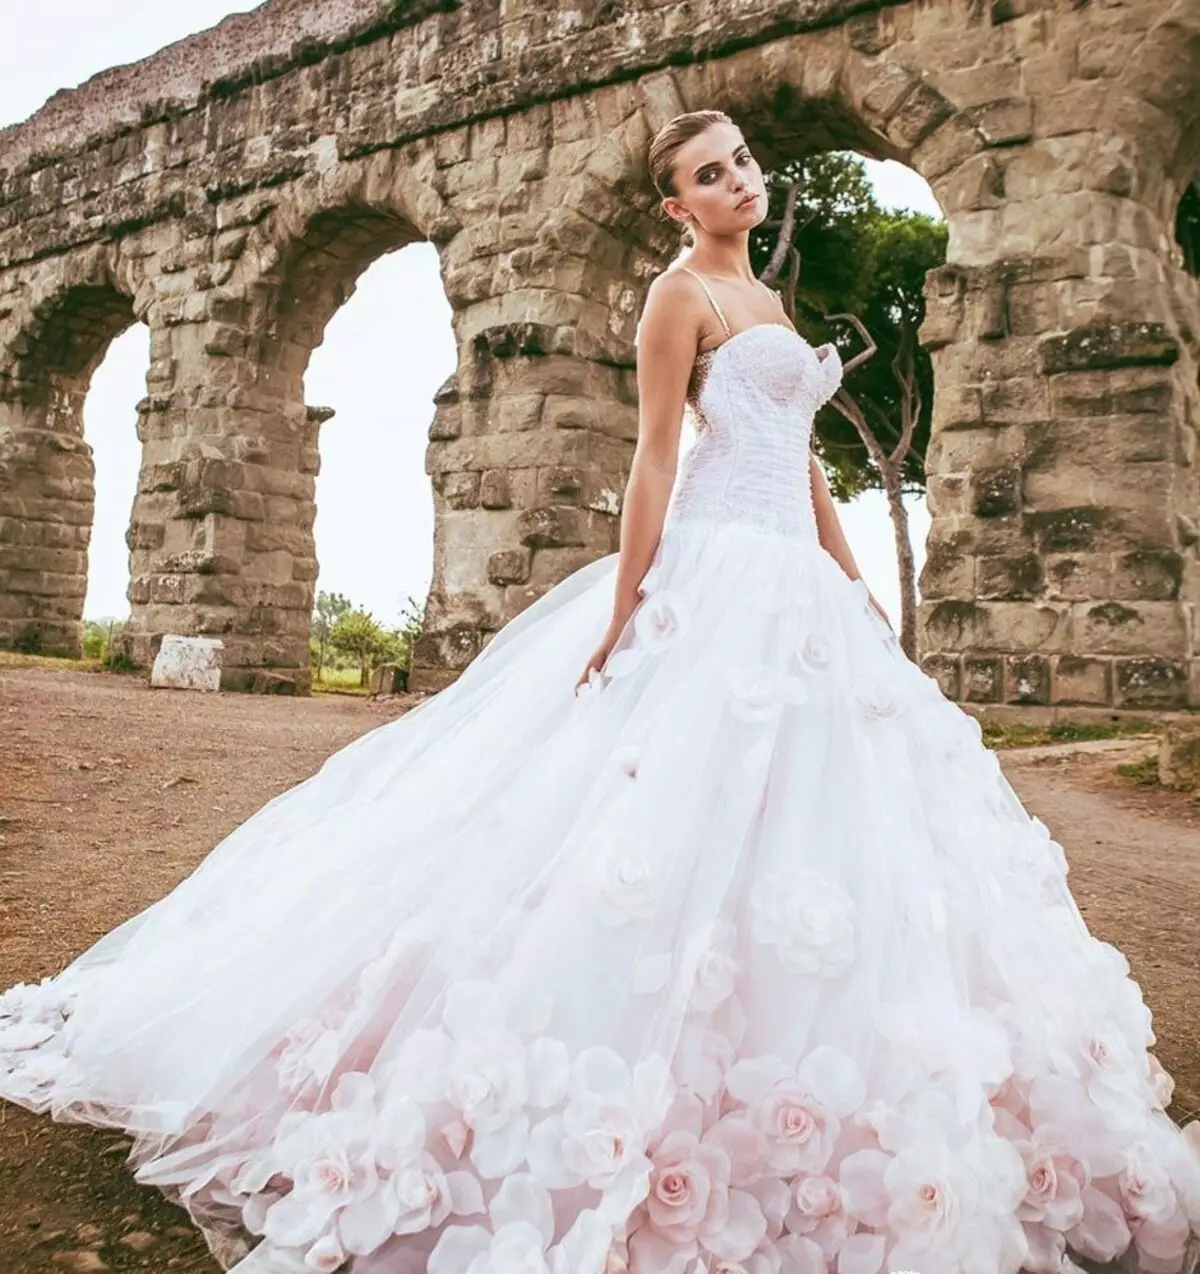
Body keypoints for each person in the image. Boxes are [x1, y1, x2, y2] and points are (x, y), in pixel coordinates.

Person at [1, 109, 1198, 1274]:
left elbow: (804, 462)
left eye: (742, 162)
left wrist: (854, 577)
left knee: (828, 825)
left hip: (801, 586)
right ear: (676, 204)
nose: (739, 180)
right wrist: (630, 596)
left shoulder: (773, 303)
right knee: (655, 819)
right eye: (710, 173)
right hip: (715, 569)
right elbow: (657, 454)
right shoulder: (677, 296)